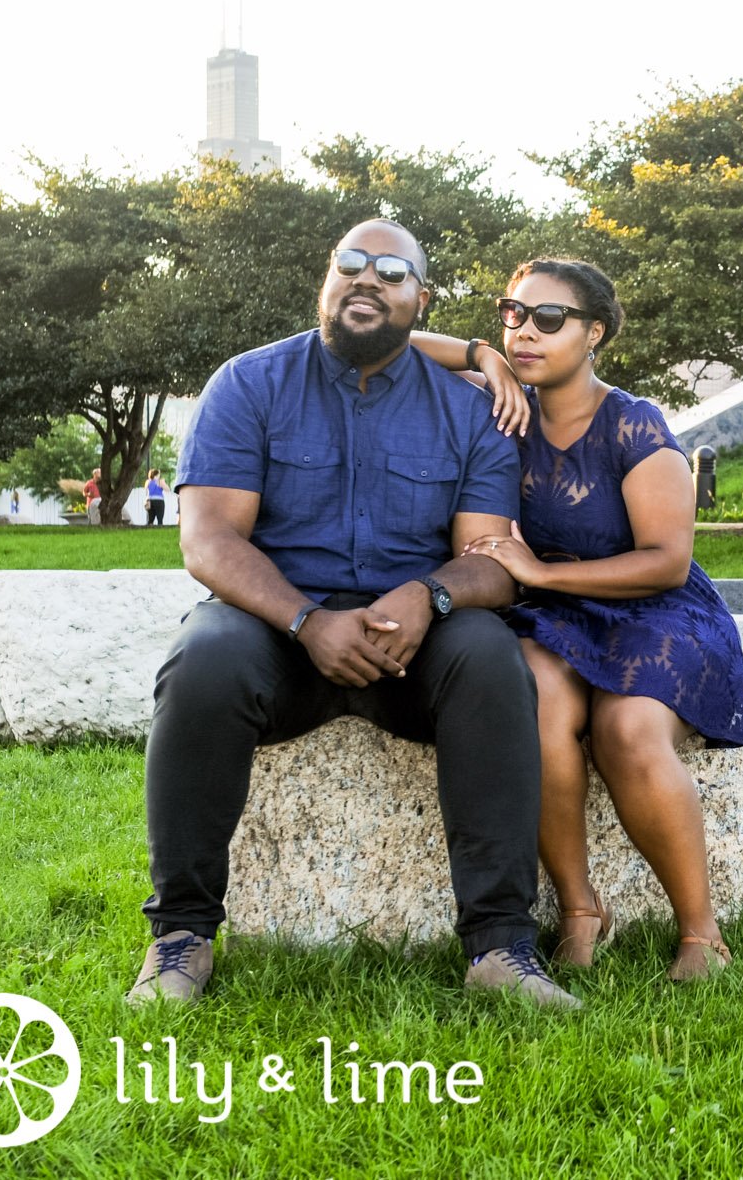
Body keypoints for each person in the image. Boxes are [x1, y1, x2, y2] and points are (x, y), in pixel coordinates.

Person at [128, 219, 577, 1011]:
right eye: (352, 263)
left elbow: (492, 560)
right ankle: (180, 938)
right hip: (277, 635)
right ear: (326, 279)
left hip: (415, 646)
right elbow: (206, 539)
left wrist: (428, 596)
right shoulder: (249, 383)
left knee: (488, 655)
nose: (369, 279)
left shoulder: (470, 412)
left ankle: (501, 947)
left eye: (393, 271)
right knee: (204, 655)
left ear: (420, 299)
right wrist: (307, 621)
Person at [413, 258, 743, 982]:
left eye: (548, 319)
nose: (523, 331)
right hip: (555, 620)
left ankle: (700, 931)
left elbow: (665, 558)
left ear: (593, 332)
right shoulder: (499, 404)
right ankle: (579, 907)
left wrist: (541, 572)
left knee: (625, 729)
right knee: (531, 705)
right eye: (511, 314)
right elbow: (390, 339)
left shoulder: (634, 422)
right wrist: (482, 359)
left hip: (655, 612)